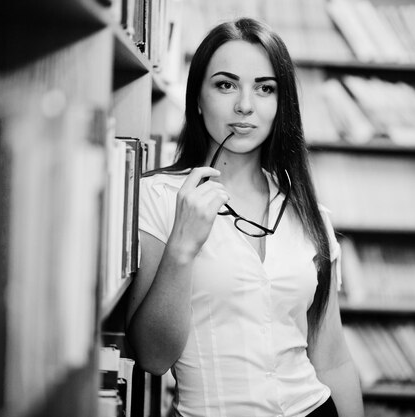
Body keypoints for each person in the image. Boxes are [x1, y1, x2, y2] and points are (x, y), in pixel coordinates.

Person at [125, 17, 364, 417]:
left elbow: (333, 359)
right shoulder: (158, 197)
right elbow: (152, 358)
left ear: (280, 105)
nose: (245, 106)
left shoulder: (309, 214)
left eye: (265, 88)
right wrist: (181, 248)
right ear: (197, 100)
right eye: (225, 84)